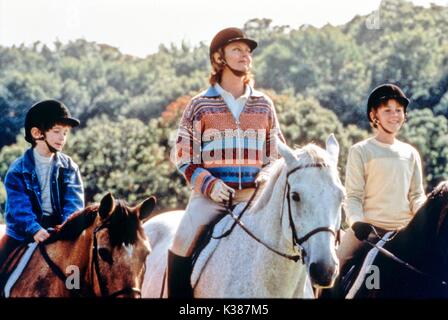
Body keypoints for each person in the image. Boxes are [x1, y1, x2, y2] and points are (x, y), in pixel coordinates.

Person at [168, 27, 285, 298]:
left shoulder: (264, 104)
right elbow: (183, 157)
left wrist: (266, 176)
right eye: (237, 50)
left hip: (255, 202)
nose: (245, 55)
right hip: (210, 201)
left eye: (247, 51)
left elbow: (275, 155)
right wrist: (209, 185)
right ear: (219, 58)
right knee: (180, 242)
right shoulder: (199, 105)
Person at [338, 83, 427, 272]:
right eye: (387, 110)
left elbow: (416, 195)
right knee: (334, 268)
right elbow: (353, 196)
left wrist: (424, 215)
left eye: (399, 110)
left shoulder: (410, 153)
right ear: (374, 115)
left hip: (404, 232)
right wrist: (356, 222)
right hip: (367, 233)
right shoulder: (360, 151)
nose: (395, 115)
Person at [0, 100, 85, 279]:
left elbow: (74, 203)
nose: (63, 137)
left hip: (60, 230)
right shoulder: (17, 170)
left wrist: (64, 229)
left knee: (81, 273)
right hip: (22, 232)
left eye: (65, 132)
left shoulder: (70, 167)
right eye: (56, 131)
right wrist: (34, 229)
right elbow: (19, 207)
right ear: (37, 133)